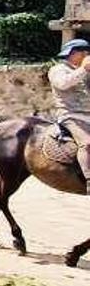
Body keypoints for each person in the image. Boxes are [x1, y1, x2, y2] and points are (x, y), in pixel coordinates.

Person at [48, 38, 90, 194]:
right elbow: (63, 84)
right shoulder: (58, 69)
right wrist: (83, 69)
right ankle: (89, 179)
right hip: (71, 115)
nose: (87, 55)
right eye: (84, 52)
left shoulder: (85, 71)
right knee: (86, 143)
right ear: (72, 53)